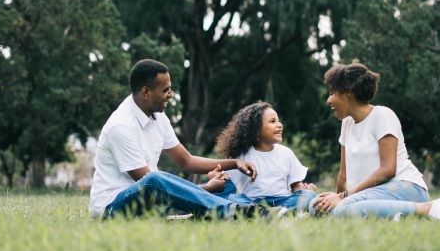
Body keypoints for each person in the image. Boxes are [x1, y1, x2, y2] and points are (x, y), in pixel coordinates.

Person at [88, 59, 265, 220]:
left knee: (225, 186)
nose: (171, 94)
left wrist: (234, 163)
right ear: (146, 92)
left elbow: (186, 161)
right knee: (154, 179)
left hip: (152, 200)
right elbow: (151, 186)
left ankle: (253, 208)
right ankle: (232, 211)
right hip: (112, 208)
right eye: (165, 90)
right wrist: (207, 188)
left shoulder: (158, 118)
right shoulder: (121, 126)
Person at [310, 63, 440, 222]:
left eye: (331, 92)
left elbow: (388, 170)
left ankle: (428, 208)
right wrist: (334, 200)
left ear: (347, 92)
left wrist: (343, 198)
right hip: (370, 194)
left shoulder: (382, 115)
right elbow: (343, 176)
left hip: (405, 187)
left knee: (345, 208)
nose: (329, 100)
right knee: (316, 207)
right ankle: (391, 215)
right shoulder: (347, 124)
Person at [210, 102, 317, 213]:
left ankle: (276, 213)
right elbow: (228, 185)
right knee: (234, 198)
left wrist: (302, 191)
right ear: (255, 130)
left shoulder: (287, 153)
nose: (279, 125)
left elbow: (295, 185)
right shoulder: (242, 156)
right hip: (253, 203)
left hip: (283, 201)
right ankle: (269, 213)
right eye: (272, 121)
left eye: (278, 121)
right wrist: (216, 177)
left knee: (308, 195)